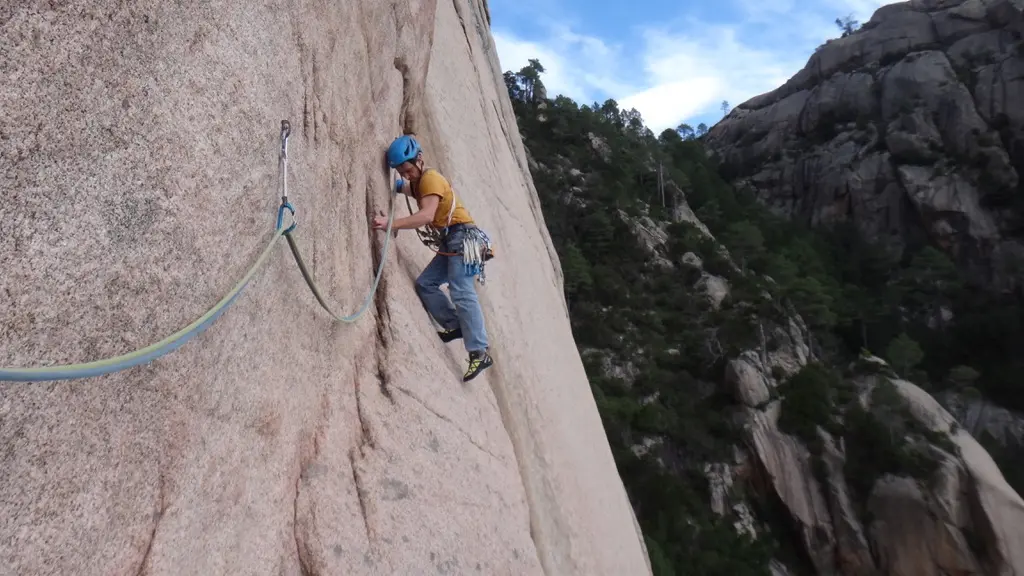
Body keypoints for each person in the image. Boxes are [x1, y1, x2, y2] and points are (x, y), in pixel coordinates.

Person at [372, 134, 494, 382]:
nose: (406, 175)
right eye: (401, 172)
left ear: (419, 159)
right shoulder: (419, 183)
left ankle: (480, 352)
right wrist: (397, 185)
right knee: (425, 284)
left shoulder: (430, 178)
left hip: (463, 238)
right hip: (452, 241)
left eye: (407, 170)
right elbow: (411, 189)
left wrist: (391, 223)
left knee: (461, 290)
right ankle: (455, 325)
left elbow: (427, 215)